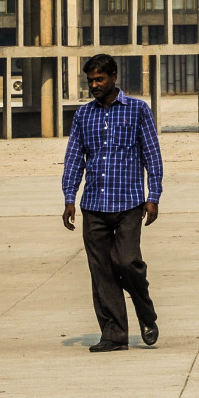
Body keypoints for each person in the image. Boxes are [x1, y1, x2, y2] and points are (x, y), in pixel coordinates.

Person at [61, 53, 163, 352]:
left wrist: (153, 196)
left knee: (127, 262)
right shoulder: (84, 115)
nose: (94, 85)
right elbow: (73, 158)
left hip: (129, 202)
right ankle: (114, 334)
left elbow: (151, 155)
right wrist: (69, 197)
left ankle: (145, 310)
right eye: (90, 80)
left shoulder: (137, 110)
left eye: (99, 79)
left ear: (114, 77)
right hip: (93, 204)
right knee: (102, 271)